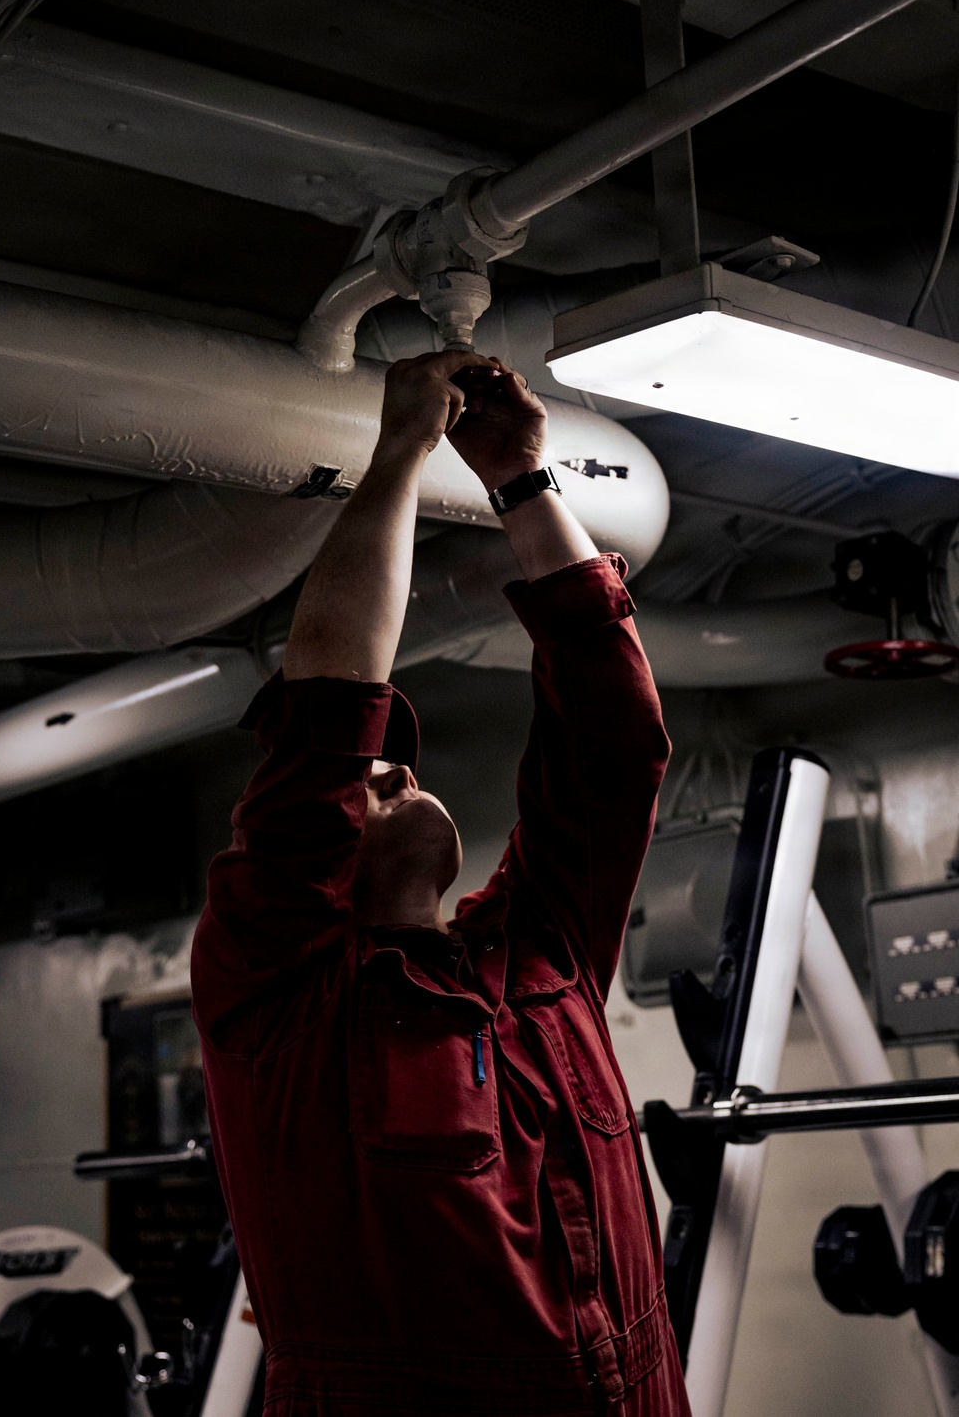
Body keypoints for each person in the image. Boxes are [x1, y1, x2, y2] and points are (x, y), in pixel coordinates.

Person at [191, 352, 690, 1417]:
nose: (392, 767)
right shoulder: (278, 1004)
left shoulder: (540, 955)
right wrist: (400, 454)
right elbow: (332, 704)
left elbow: (614, 739)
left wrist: (516, 477)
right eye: (363, 776)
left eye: (396, 762)